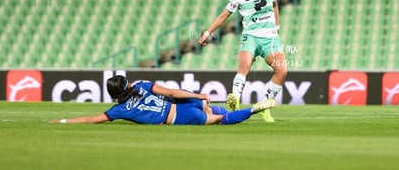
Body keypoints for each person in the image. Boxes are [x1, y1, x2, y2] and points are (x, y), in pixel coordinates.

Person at [198, 0, 287, 122]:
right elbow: (224, 16)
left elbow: (274, 6)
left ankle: (264, 107)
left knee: (282, 71)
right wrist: (207, 33)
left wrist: (277, 27)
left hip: (270, 37)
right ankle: (235, 103)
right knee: (244, 68)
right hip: (250, 36)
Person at [49, 75, 276, 125]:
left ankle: (254, 109)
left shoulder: (118, 110)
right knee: (214, 109)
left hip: (180, 116)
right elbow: (172, 92)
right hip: (185, 103)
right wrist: (198, 95)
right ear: (127, 83)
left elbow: (90, 119)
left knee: (220, 120)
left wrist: (62, 122)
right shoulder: (141, 86)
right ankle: (250, 107)